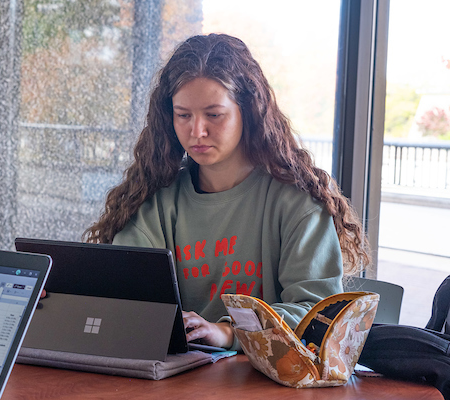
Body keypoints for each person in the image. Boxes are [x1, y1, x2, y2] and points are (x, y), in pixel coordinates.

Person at [83, 33, 370, 350]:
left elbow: (317, 314)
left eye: (214, 115)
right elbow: (118, 292)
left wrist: (229, 333)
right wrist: (60, 295)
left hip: (265, 383)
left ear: (248, 110)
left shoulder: (297, 201)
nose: (197, 131)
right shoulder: (157, 203)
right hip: (177, 379)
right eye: (183, 115)